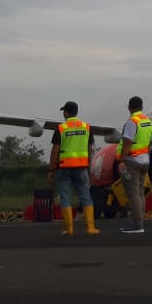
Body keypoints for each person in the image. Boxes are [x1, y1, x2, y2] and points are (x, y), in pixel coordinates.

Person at [47, 100, 98, 236]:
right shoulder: (87, 127)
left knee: (65, 197)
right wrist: (88, 166)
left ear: (66, 112)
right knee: (86, 196)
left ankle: (69, 229)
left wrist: (51, 169)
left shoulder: (61, 128)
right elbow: (90, 149)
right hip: (82, 167)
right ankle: (90, 228)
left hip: (64, 168)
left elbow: (55, 150)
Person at [116, 95, 152, 234]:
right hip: (145, 161)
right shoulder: (149, 122)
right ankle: (141, 221)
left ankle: (138, 225)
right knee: (141, 192)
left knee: (133, 193)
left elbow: (127, 143)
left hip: (132, 161)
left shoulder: (132, 122)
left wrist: (121, 161)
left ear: (129, 107)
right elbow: (150, 143)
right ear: (142, 107)